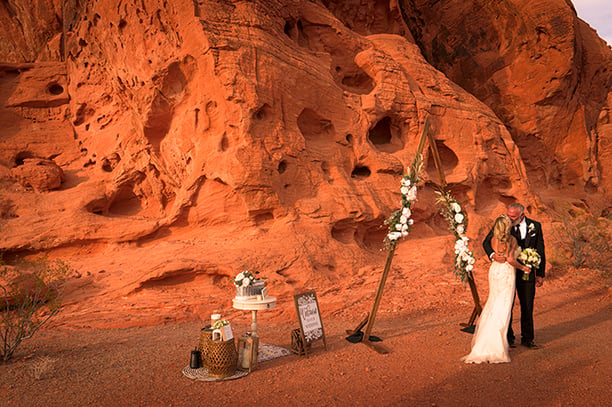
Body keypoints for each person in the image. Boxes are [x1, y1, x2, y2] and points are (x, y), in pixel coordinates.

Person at [462, 215, 530, 363]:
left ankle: (485, 343)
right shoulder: (511, 240)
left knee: (493, 305)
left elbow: (491, 250)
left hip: (494, 271)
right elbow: (511, 260)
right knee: (503, 308)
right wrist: (523, 267)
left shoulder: (493, 239)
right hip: (506, 272)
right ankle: (496, 347)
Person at [483, 202, 546, 349]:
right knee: (506, 305)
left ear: (522, 215)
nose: (509, 219)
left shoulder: (535, 226)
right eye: (509, 215)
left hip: (528, 272)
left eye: (513, 216)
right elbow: (486, 243)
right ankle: (508, 338)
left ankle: (528, 339)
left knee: (527, 305)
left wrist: (540, 273)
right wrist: (493, 255)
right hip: (508, 271)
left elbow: (540, 250)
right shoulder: (502, 224)